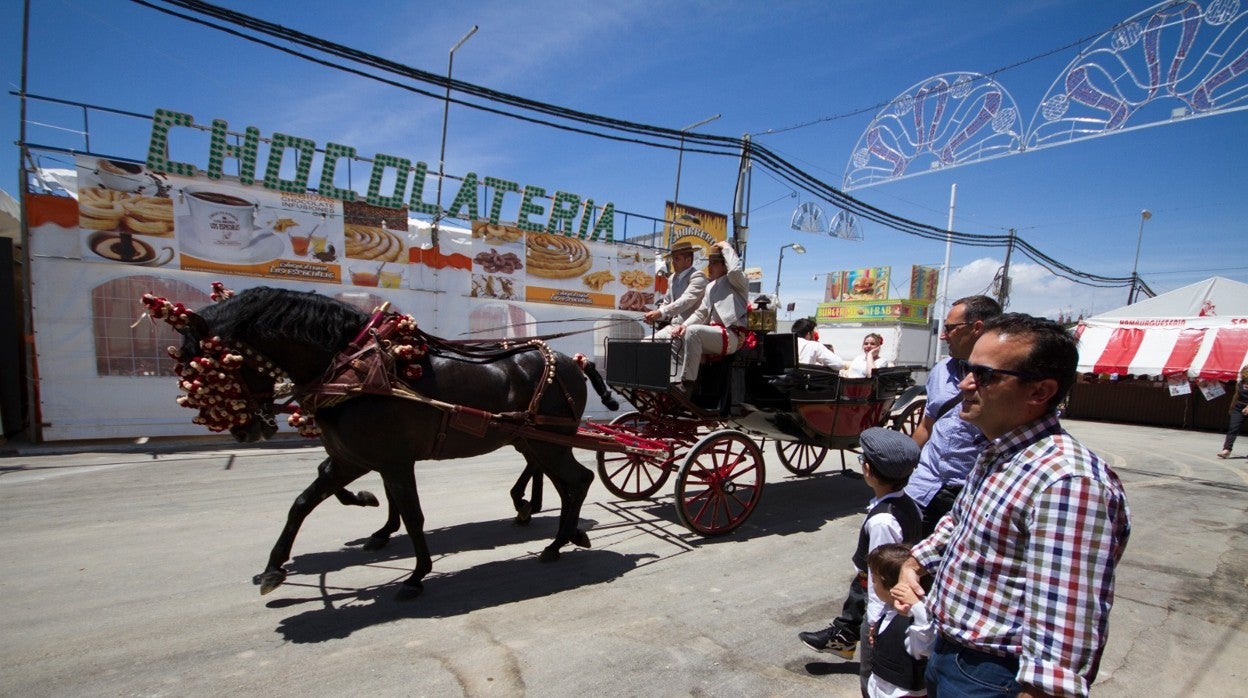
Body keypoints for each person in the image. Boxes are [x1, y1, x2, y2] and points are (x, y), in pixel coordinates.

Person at [895, 313, 1131, 698]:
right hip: (952, 654)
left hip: (995, 674)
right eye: (968, 370)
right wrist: (915, 562)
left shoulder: (1067, 482)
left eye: (984, 375)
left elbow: (1064, 627)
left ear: (1040, 391)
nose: (965, 384)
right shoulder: (1002, 452)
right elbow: (961, 524)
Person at [798, 427, 923, 697]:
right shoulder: (907, 504)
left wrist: (874, 622)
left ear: (868, 470)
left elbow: (880, 575)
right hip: (894, 602)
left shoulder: (882, 521)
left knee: (872, 673)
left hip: (883, 606)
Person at [905, 295, 1002, 536]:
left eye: (949, 328)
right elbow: (927, 425)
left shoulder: (1006, 380)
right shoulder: (941, 370)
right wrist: (900, 466)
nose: (943, 336)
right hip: (923, 486)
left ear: (977, 327)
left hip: (971, 495)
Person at [668, 240, 749, 386]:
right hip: (714, 335)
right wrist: (683, 326)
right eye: (709, 263)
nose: (709, 267)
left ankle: (687, 383)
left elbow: (734, 270)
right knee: (677, 338)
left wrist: (726, 247)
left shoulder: (737, 282)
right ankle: (673, 381)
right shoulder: (710, 286)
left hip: (732, 335)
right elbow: (701, 313)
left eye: (714, 263)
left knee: (693, 332)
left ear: (724, 265)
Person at [865, 544, 935, 698]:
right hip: (880, 685)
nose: (872, 584)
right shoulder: (888, 609)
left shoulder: (916, 616)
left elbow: (926, 644)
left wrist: (917, 607)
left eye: (874, 579)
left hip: (903, 693)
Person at [644, 241, 707, 333]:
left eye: (677, 259)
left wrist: (660, 313)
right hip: (673, 327)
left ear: (688, 260)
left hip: (691, 329)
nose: (673, 262)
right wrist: (656, 317)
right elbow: (667, 302)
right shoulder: (672, 278)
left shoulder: (697, 276)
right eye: (673, 259)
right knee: (647, 341)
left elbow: (686, 300)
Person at [1217, 364, 1248, 458]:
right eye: (1243, 372)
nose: (1243, 374)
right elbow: (1236, 395)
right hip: (1239, 407)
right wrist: (1231, 408)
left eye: (1245, 373)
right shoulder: (1240, 383)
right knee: (1233, 428)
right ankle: (1227, 450)